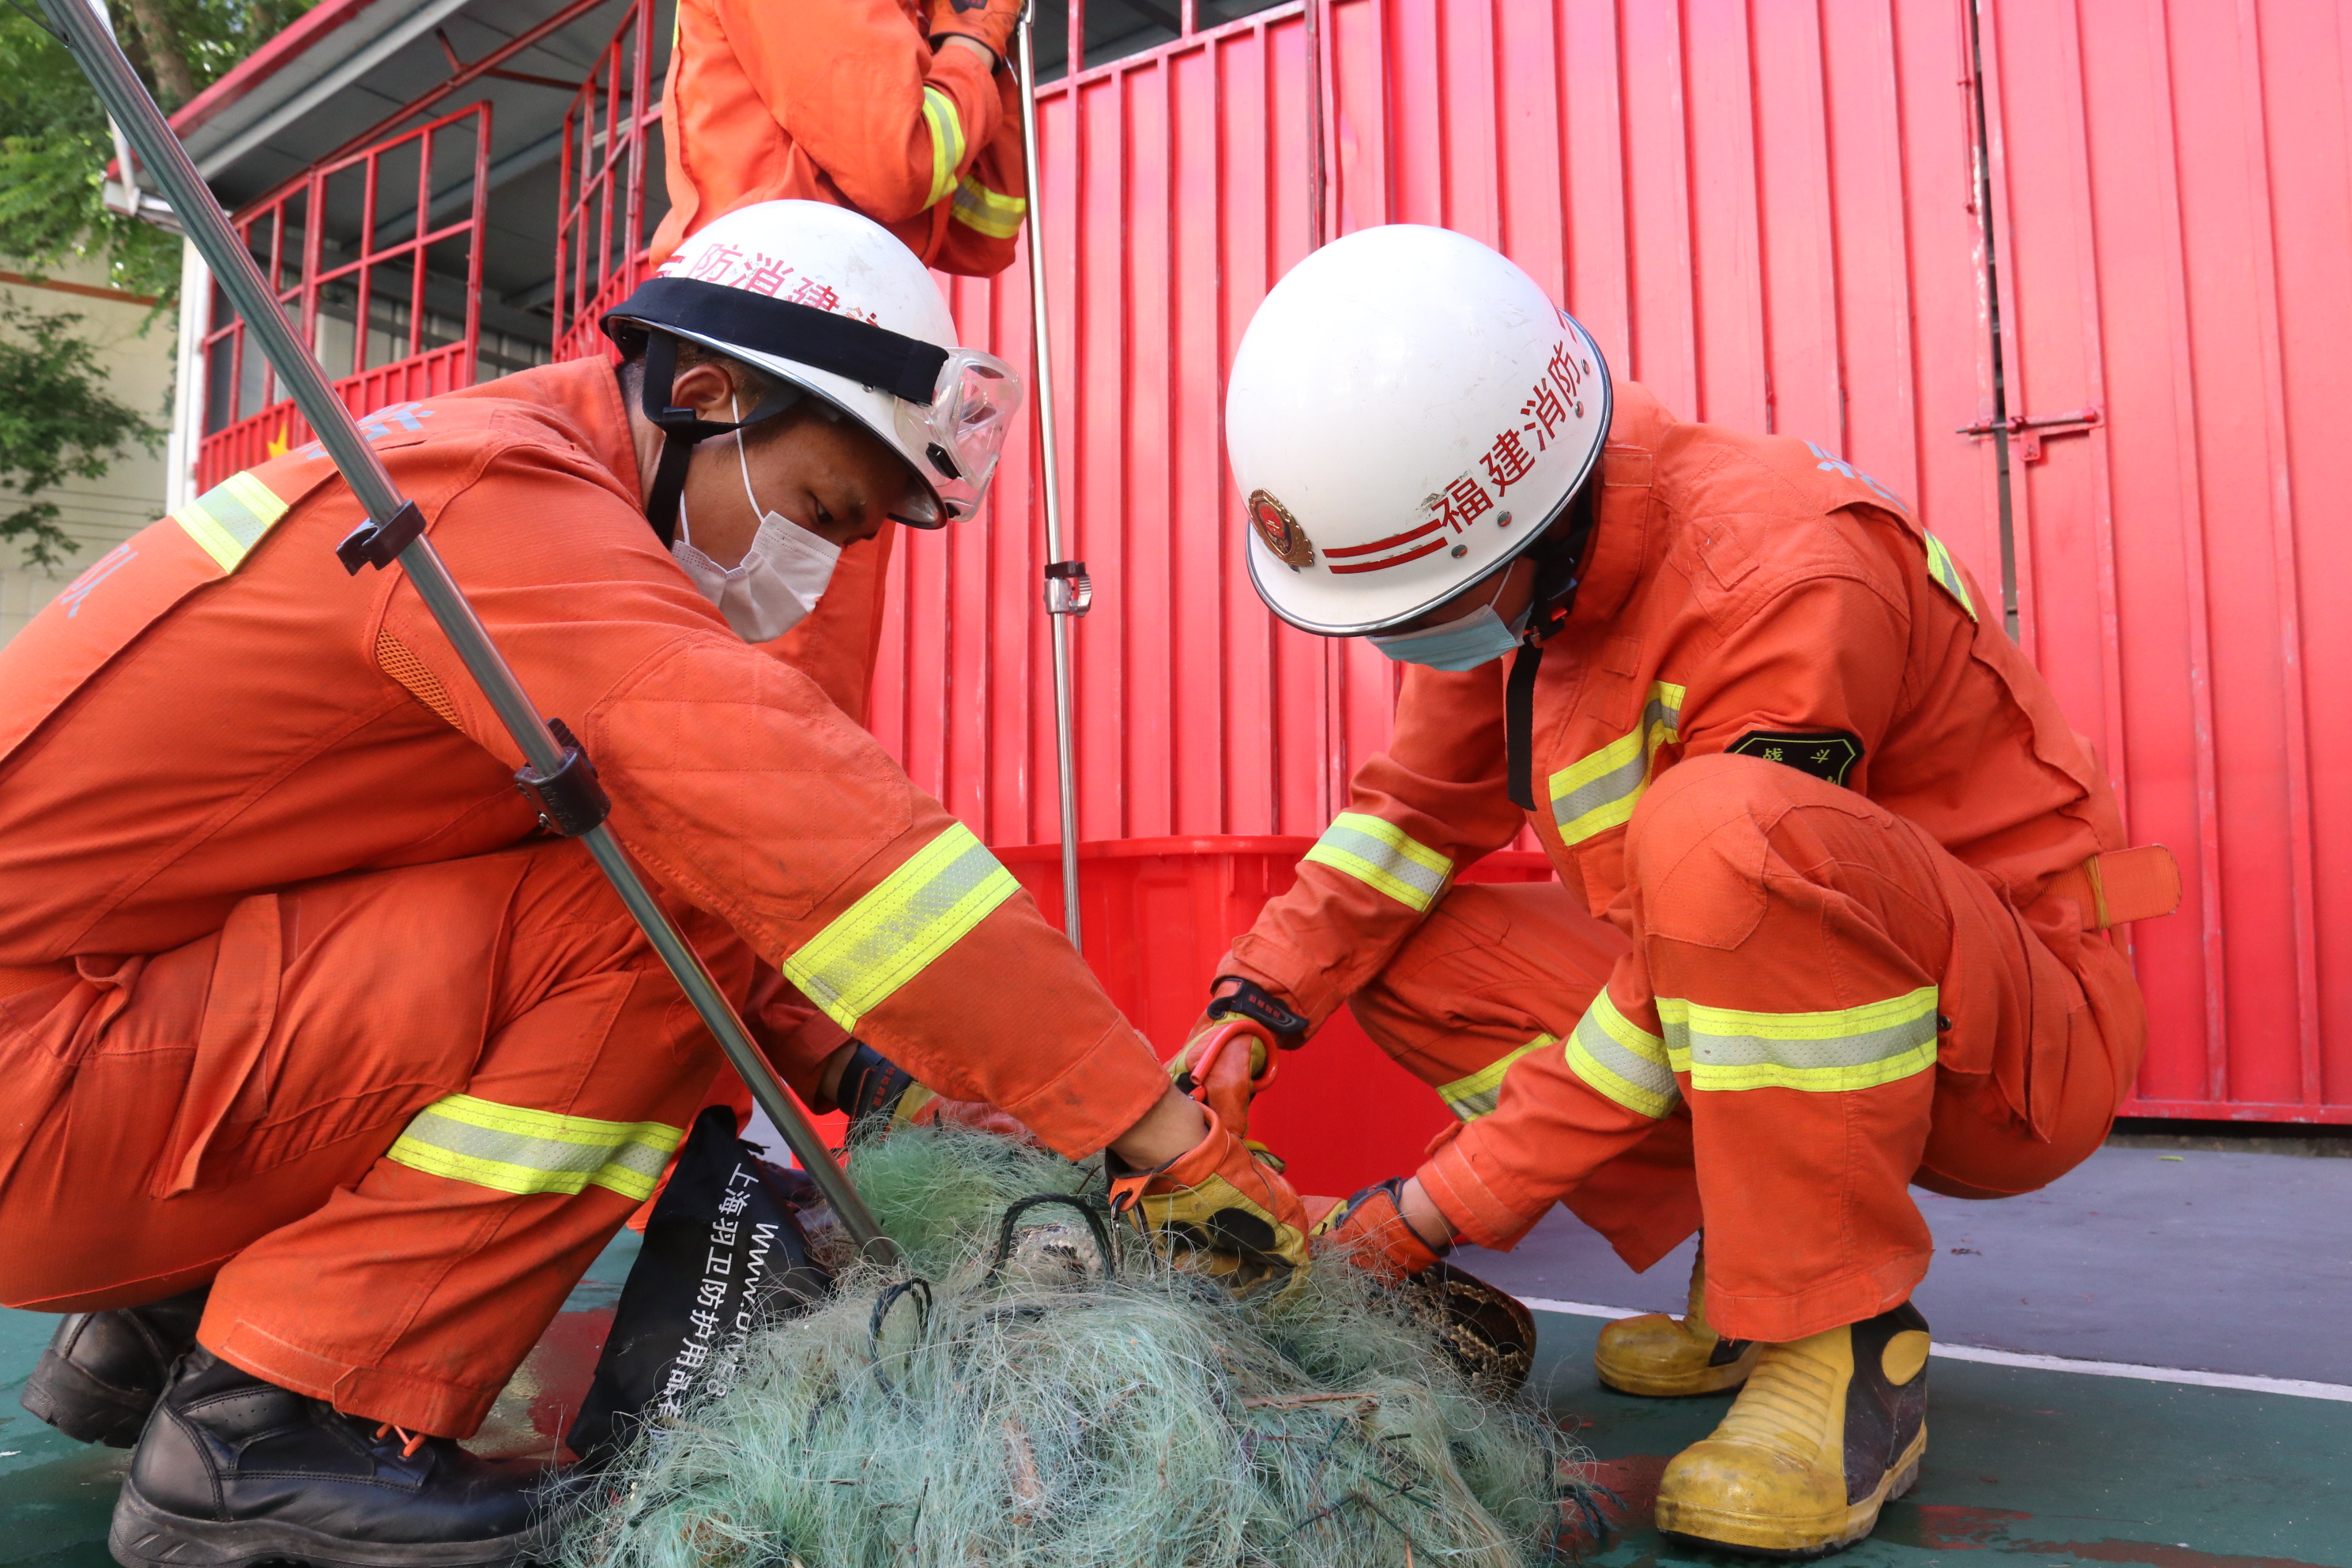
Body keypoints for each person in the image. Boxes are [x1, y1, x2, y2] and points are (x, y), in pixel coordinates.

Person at [0, 200, 1306, 1568]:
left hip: (94, 1053)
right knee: (649, 922)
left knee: (603, 867)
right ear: (704, 394)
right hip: (55, 1094)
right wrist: (1153, 1133)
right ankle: (275, 1424)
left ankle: (155, 1317)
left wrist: (873, 1080)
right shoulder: (509, 513)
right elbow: (824, 850)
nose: (813, 566)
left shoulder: (473, 470)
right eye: (821, 509)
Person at [1191, 224, 2177, 1558]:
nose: (1414, 639)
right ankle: (1757, 1252)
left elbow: (1684, 969)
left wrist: (1435, 1210)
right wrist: (1253, 1007)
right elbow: (1406, 821)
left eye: (1425, 604)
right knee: (1420, 951)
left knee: (1717, 836)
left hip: (2013, 1042)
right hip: (1760, 977)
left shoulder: (1779, 575)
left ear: (1519, 518)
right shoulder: (1522, 578)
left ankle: (1842, 1348)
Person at [649, 0, 1030, 278]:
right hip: (770, 296)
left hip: (822, 303)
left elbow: (984, 236)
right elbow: (895, 170)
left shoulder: (908, 17)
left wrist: (967, 41)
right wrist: (970, 44)